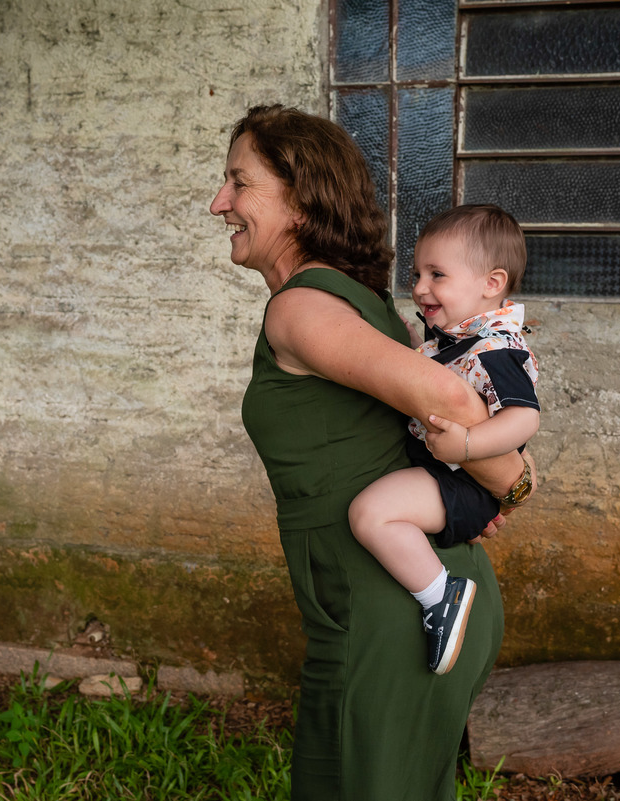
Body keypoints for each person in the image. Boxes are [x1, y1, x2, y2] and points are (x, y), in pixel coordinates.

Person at [209, 104, 536, 801]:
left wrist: (507, 484)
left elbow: (445, 400)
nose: (219, 203)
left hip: (389, 618)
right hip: (384, 609)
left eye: (239, 183)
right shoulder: (353, 301)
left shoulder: (300, 308)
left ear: (298, 199)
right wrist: (478, 492)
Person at [349, 204, 539, 678]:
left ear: (491, 284)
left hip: (463, 481)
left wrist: (468, 446)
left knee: (371, 514)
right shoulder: (452, 339)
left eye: (437, 274)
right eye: (417, 273)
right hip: (447, 474)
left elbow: (524, 419)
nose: (419, 287)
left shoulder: (495, 349)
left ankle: (441, 596)